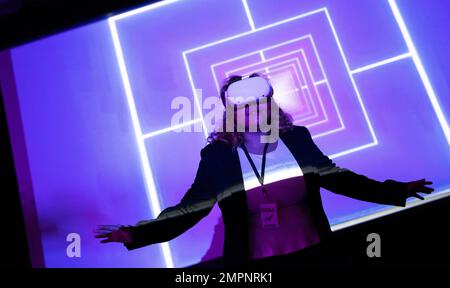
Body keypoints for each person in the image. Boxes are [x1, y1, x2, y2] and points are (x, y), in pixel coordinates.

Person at [95, 73, 433, 268]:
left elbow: (338, 179)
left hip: (316, 254)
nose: (254, 112)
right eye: (244, 107)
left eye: (260, 104)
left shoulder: (297, 139)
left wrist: (393, 191)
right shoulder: (217, 157)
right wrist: (138, 234)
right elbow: (191, 208)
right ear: (231, 113)